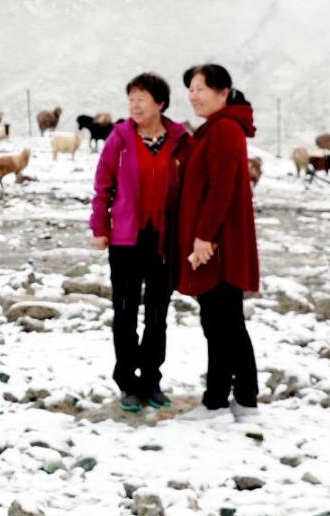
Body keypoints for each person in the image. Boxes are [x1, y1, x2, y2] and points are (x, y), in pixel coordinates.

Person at [88, 73, 189, 413]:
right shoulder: (120, 137)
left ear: (160, 103)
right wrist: (99, 226)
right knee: (126, 312)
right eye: (131, 98)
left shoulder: (179, 139)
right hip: (126, 239)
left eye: (142, 98)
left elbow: (191, 187)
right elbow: (103, 186)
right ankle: (127, 382)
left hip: (164, 240)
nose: (135, 104)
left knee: (158, 315)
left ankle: (152, 379)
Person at [174, 63, 262, 423]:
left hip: (218, 244)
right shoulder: (214, 129)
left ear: (223, 93)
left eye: (200, 89)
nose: (194, 96)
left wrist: (204, 237)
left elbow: (221, 189)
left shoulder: (225, 130)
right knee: (220, 322)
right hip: (213, 242)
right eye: (191, 89)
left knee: (225, 323)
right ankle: (231, 399)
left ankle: (231, 401)